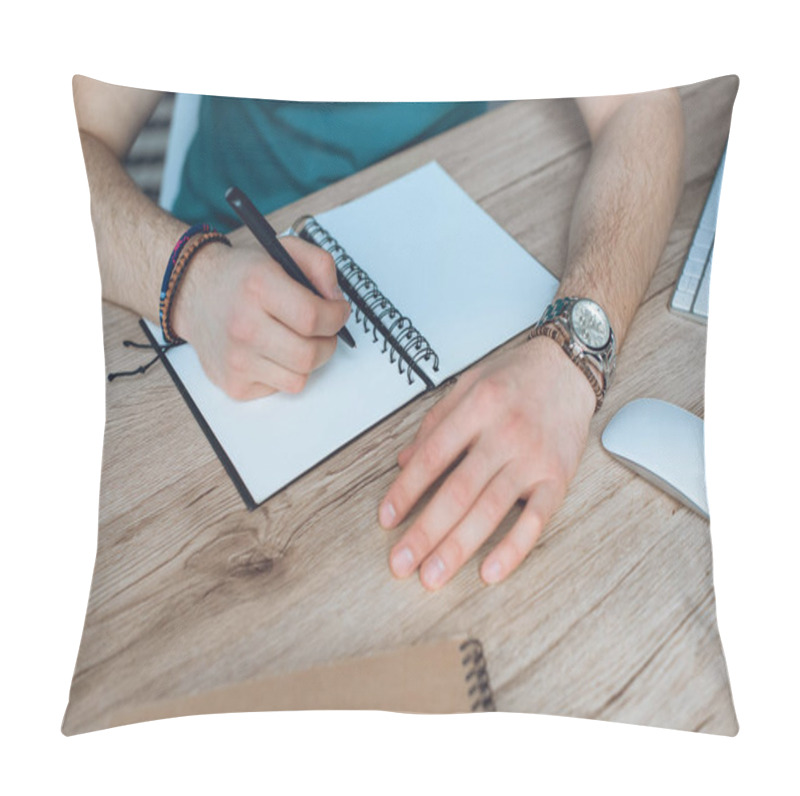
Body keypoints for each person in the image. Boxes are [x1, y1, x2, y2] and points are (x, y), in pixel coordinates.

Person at [73, 76, 684, 592]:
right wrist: (186, 280)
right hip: (200, 308)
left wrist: (572, 357)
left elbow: (640, 100)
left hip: (472, 239)